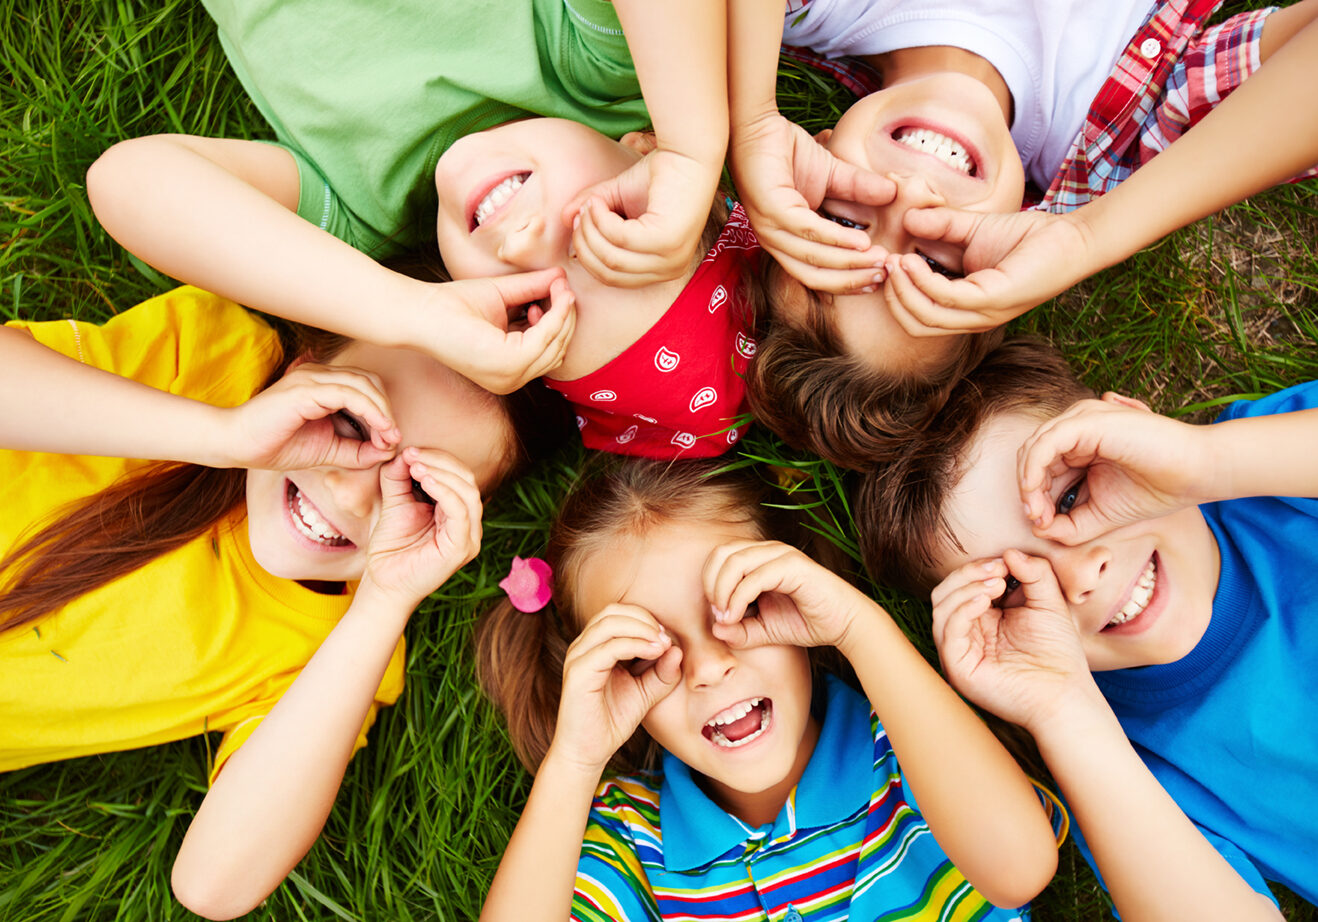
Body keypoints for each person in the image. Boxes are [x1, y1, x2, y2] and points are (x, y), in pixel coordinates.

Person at [0, 283, 558, 920]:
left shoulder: (336, 649)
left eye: (420, 491)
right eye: (351, 423)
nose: (351, 497)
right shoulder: (212, 358)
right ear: (304, 368)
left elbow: (215, 884)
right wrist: (226, 434)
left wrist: (385, 600)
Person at [85, 0, 760, 459]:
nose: (524, 243)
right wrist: (693, 144)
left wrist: (412, 311)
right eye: (609, 227)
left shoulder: (360, 216)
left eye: (528, 308)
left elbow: (129, 181)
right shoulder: (599, 67)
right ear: (643, 151)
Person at [730, 0, 1318, 469]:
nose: (911, 196)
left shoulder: (808, 13)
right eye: (937, 264)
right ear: (1004, 269)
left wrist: (750, 116)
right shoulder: (1122, 145)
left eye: (842, 225)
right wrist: (1086, 236)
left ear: (813, 154)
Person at [474, 459, 1060, 921]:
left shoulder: (912, 746)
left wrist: (859, 628)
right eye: (646, 653)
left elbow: (1022, 869)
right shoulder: (633, 840)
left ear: (798, 592)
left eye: (740, 607)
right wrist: (574, 759)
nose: (708, 668)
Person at [854, 337, 1318, 917]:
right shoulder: (1119, 765)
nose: (1079, 577)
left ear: (1133, 429)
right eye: (1016, 587)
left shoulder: (1270, 470)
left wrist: (1205, 461)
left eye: (1071, 498)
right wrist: (1062, 711)